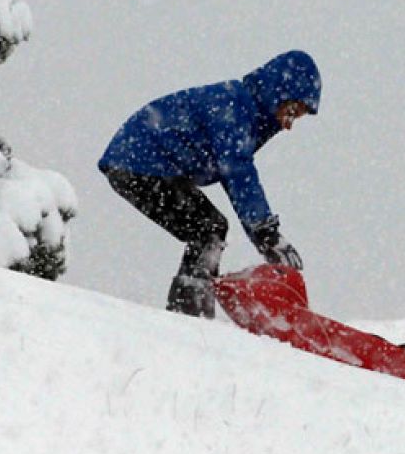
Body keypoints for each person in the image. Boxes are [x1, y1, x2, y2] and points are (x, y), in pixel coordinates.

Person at [98, 51, 320, 317]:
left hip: (139, 162)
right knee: (208, 229)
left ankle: (192, 304)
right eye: (292, 111)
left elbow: (234, 173)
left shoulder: (245, 110)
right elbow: (237, 172)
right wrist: (266, 233)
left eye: (297, 117)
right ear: (277, 92)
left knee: (208, 227)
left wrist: (262, 234)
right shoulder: (234, 107)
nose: (289, 125)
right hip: (138, 162)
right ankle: (190, 314)